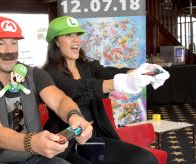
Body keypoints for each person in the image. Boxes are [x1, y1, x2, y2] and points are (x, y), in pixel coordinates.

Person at [0, 16, 93, 164]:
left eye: (14, 43)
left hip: (32, 159)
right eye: (1, 44)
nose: (9, 50)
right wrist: (33, 142)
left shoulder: (34, 74)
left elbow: (59, 100)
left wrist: (75, 116)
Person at [43, 16, 170, 164]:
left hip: (95, 134)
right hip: (68, 143)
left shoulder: (87, 65)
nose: (76, 40)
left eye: (77, 35)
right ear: (56, 42)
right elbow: (78, 88)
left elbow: (109, 72)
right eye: (69, 35)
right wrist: (119, 83)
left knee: (145, 159)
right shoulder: (49, 74)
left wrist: (140, 72)